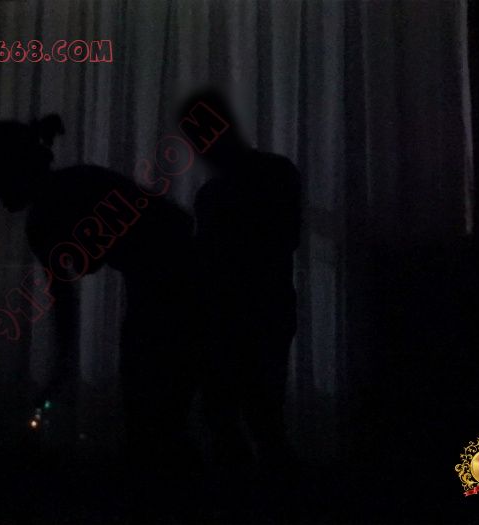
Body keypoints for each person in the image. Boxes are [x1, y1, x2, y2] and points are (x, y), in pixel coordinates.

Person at [0, 116, 200, 521]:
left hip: (173, 291)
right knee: (159, 418)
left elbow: (66, 295)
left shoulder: (52, 212)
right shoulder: (72, 190)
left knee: (154, 417)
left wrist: (61, 366)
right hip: (171, 289)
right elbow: (169, 222)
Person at [180, 89, 301, 518]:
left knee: (236, 416)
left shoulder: (217, 192)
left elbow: (211, 260)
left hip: (238, 315)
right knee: (258, 417)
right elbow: (285, 240)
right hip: (261, 311)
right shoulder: (275, 172)